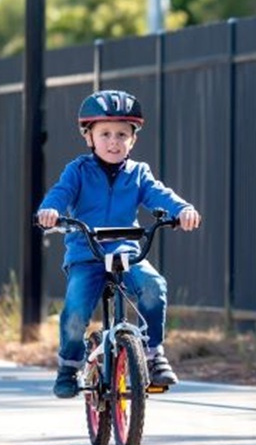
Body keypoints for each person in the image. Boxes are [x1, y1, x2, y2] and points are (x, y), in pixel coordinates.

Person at [36, 89, 201, 399]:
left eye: (122, 134)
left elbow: (160, 195)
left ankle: (153, 353)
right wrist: (50, 211)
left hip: (126, 251)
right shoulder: (78, 171)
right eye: (105, 134)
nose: (114, 141)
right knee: (75, 311)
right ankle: (68, 366)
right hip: (86, 253)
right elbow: (59, 193)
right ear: (89, 137)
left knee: (154, 287)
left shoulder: (139, 173)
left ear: (133, 140)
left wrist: (183, 210)